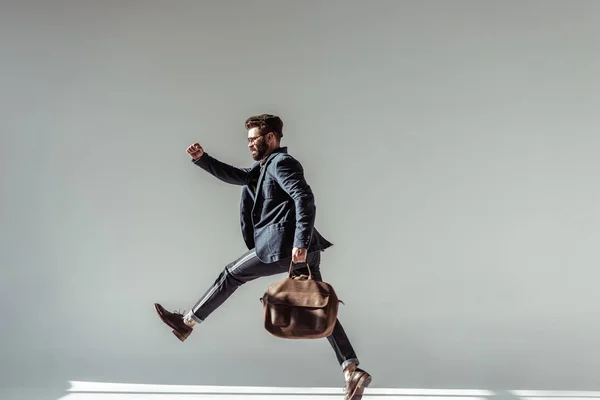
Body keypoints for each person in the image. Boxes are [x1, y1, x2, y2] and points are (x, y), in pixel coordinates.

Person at [154, 114, 372, 400]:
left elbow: (304, 198)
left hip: (286, 247)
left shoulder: (282, 163)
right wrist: (203, 159)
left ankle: (188, 322)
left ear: (271, 138)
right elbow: (237, 176)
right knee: (320, 307)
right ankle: (351, 369)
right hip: (299, 249)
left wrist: (300, 242)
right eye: (248, 140)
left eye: (254, 139)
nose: (250, 145)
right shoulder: (264, 167)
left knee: (231, 274)